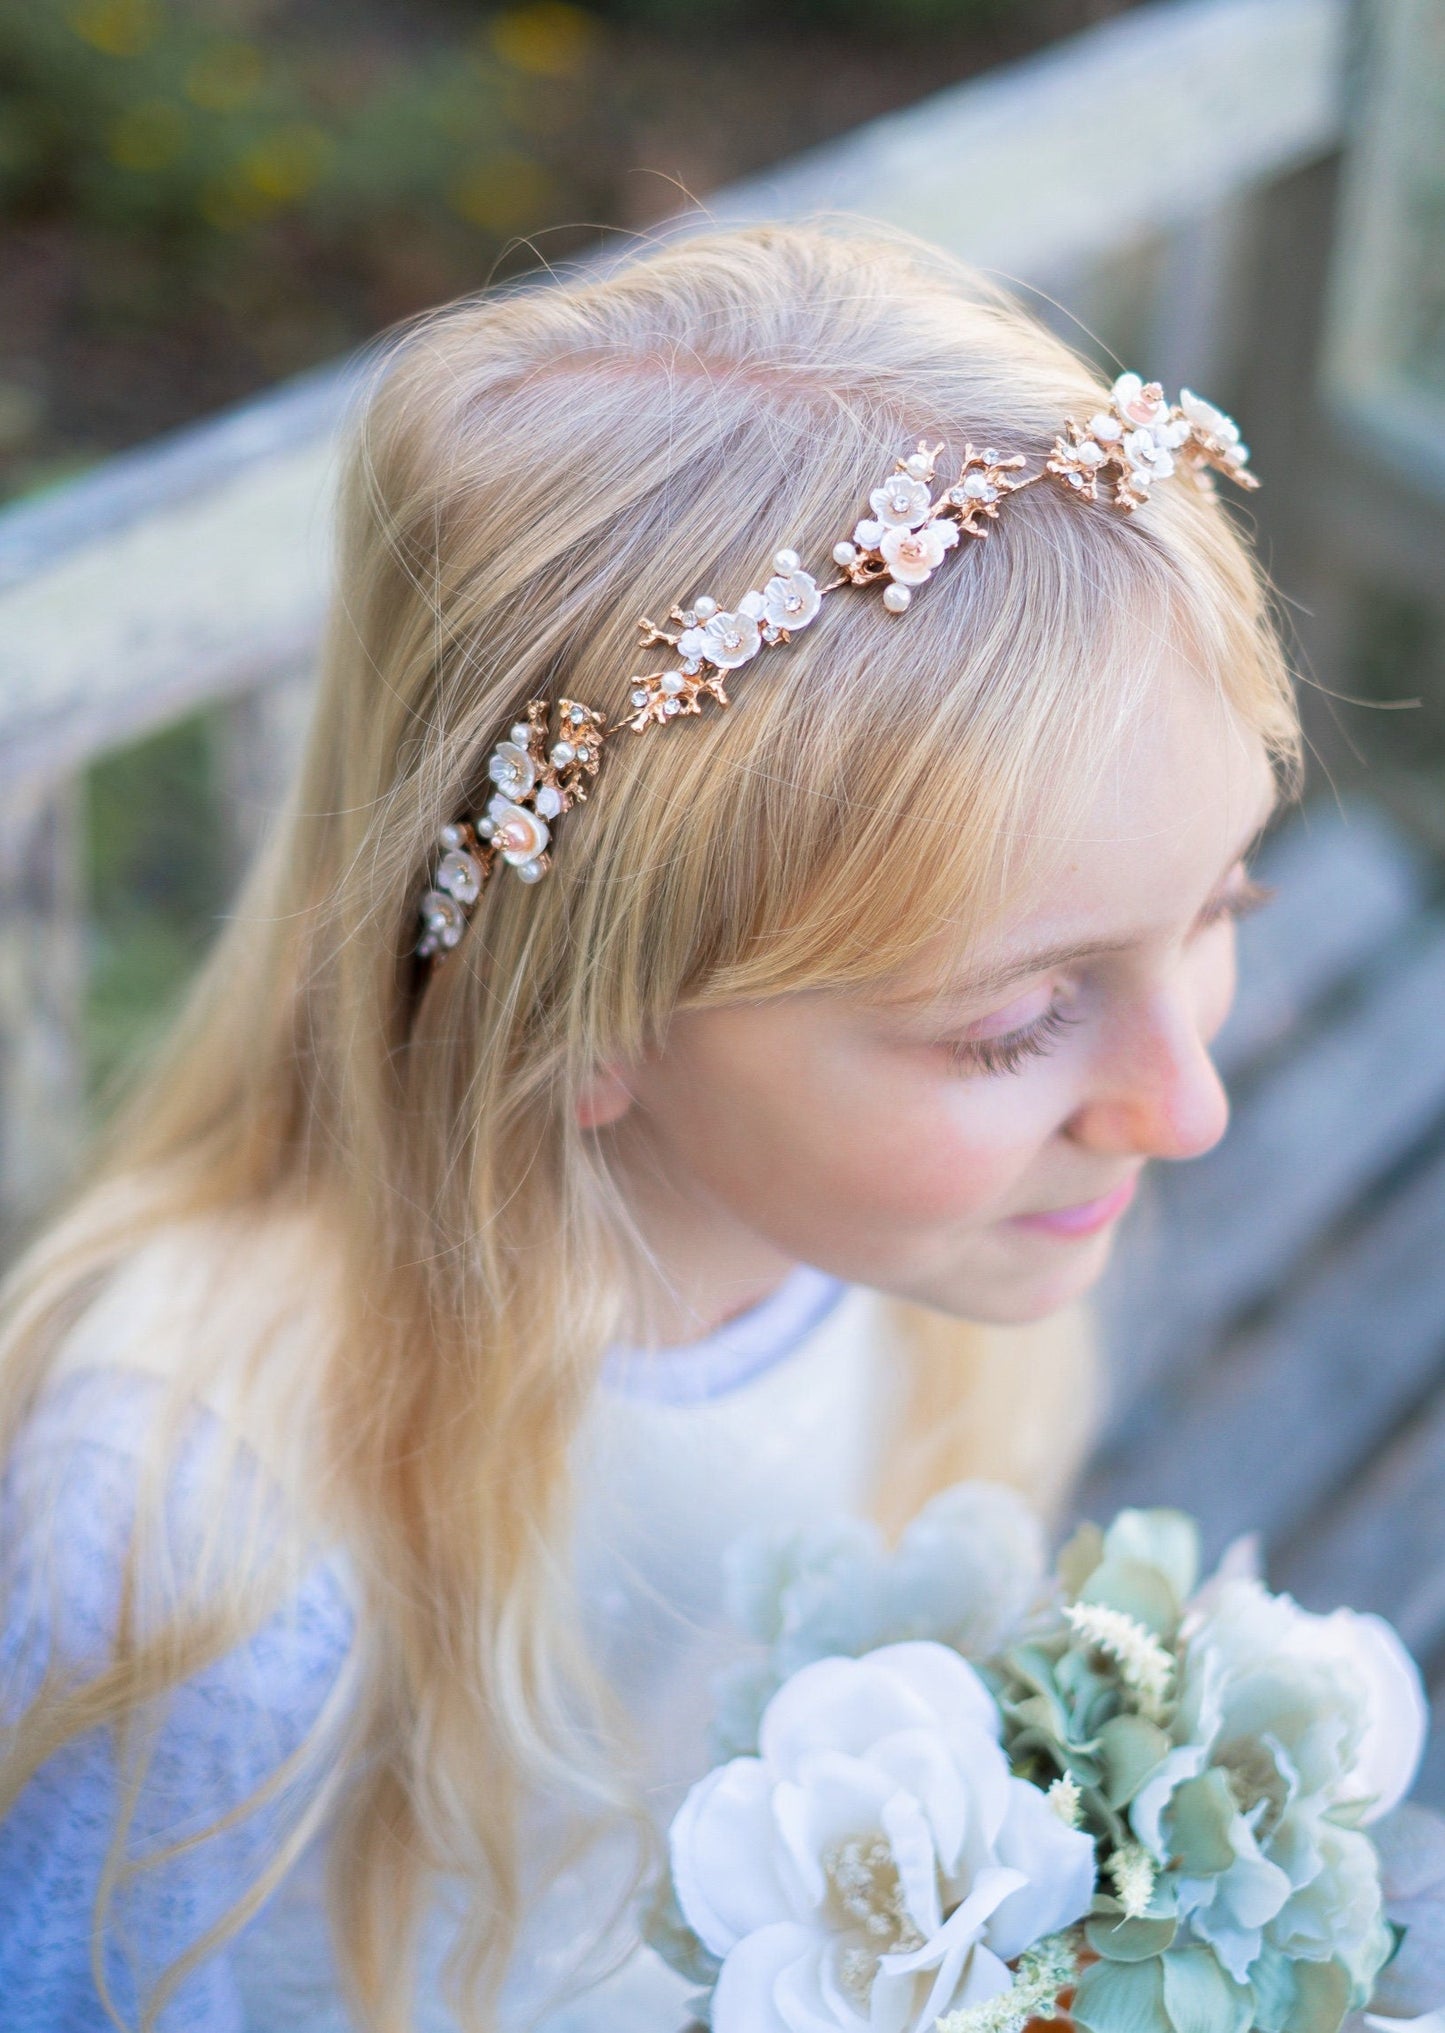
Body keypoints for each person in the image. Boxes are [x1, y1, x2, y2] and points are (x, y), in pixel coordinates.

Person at [0, 222, 1296, 2032]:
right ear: (577, 1015)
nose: (1188, 1104)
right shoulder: (195, 1543)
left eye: (1222, 908)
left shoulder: (935, 1253)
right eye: (1012, 1021)